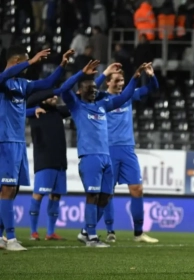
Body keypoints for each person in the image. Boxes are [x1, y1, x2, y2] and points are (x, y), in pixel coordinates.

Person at [61, 61, 150, 247]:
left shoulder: (102, 105)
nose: (93, 90)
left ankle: (86, 231)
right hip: (90, 156)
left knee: (105, 197)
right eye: (89, 88)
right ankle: (92, 237)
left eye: (95, 88)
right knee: (92, 196)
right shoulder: (76, 106)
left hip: (106, 157)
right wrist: (86, 74)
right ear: (79, 92)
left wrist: (135, 78)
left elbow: (125, 96)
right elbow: (63, 88)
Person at [0, 47, 74, 251]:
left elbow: (48, 84)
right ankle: (12, 239)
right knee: (6, 189)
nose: (28, 67)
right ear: (16, 61)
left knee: (12, 191)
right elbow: (6, 73)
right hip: (4, 142)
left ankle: (0, 237)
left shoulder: (23, 84)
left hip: (18, 144)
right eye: (24, 63)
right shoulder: (2, 80)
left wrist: (62, 65)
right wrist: (31, 62)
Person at [94, 63, 159, 243]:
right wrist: (104, 72)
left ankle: (138, 233)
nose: (121, 83)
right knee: (108, 192)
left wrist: (151, 75)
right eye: (116, 80)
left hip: (128, 149)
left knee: (137, 189)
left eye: (122, 80)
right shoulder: (101, 98)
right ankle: (109, 231)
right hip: (109, 149)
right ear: (107, 82)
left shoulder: (128, 96)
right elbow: (90, 88)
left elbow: (153, 88)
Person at [25, 67, 84, 241]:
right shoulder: (33, 109)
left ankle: (50, 232)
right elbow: (35, 98)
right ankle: (33, 232)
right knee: (39, 194)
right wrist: (50, 91)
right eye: (50, 95)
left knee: (56, 195)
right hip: (44, 159)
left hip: (60, 161)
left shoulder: (58, 112)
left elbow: (73, 106)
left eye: (54, 96)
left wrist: (80, 94)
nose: (54, 97)